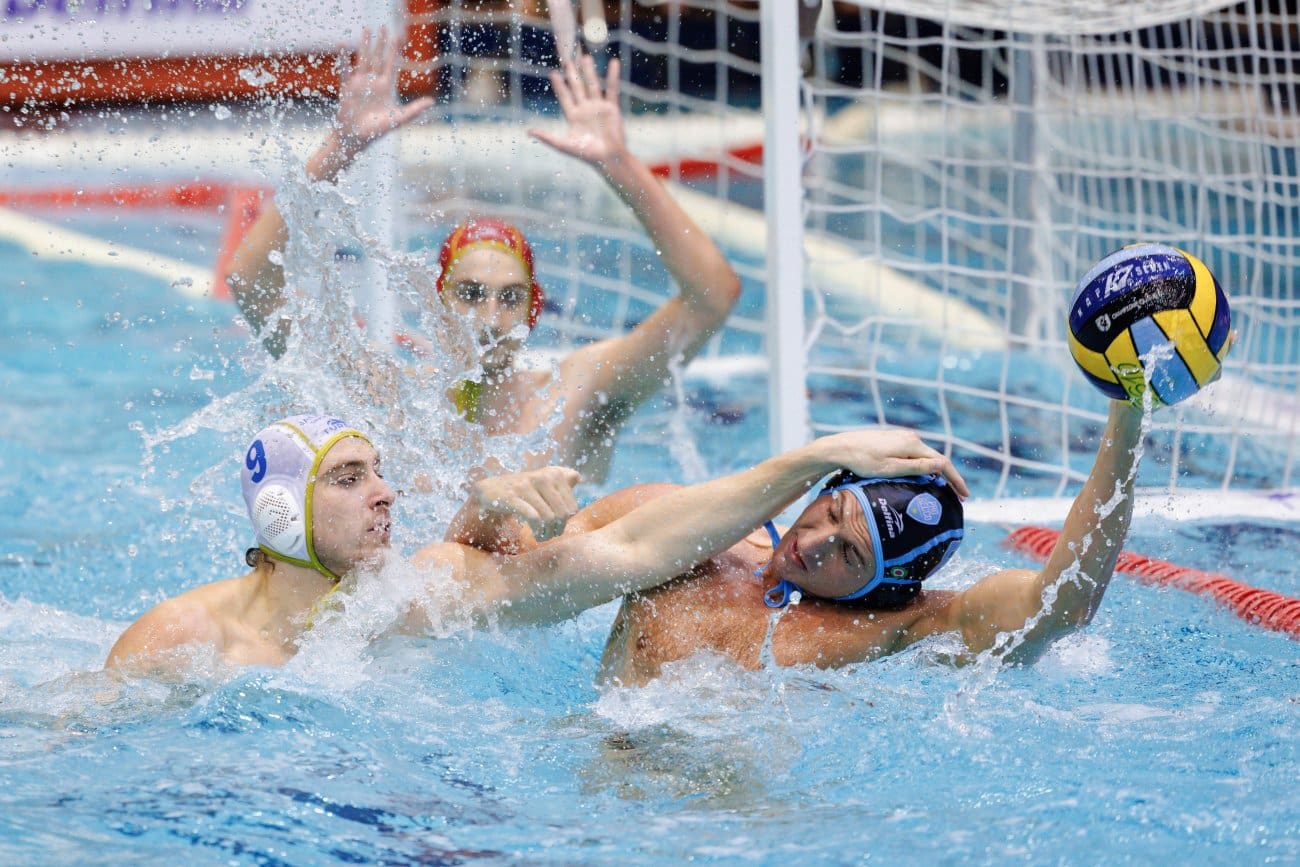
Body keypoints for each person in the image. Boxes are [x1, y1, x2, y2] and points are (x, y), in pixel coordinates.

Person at [225, 28, 742, 482]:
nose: (490, 318)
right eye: (471, 294)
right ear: (438, 301)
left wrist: (620, 164)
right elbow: (248, 280)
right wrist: (340, 147)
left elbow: (713, 297)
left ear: (534, 310)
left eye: (509, 298)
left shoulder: (577, 396)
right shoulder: (387, 400)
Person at [105, 414, 964, 671]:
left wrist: (816, 457)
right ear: (279, 516)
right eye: (350, 478)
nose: (386, 492)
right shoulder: (179, 637)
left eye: (380, 470)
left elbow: (634, 551)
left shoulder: (416, 597)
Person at [516, 400, 1144, 687]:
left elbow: (1063, 603)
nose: (814, 544)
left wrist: (1126, 413)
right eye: (832, 511)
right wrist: (504, 508)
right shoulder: (689, 532)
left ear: (886, 587)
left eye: (850, 555)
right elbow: (501, 579)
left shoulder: (892, 629)